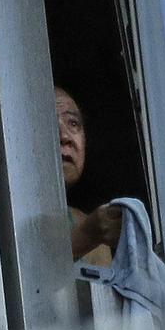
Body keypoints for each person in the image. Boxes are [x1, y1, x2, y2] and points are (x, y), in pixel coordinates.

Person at [55, 86, 122, 266]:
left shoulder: (91, 230)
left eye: (73, 123)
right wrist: (86, 236)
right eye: (48, 121)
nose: (65, 136)